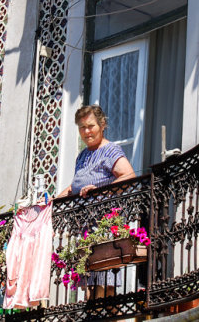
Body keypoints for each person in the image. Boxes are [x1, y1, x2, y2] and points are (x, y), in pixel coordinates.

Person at [57, 104, 136, 299]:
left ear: (102, 125)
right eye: (82, 128)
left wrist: (98, 190)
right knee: (89, 287)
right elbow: (75, 186)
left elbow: (129, 175)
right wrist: (53, 201)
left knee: (104, 285)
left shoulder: (110, 150)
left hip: (104, 228)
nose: (86, 132)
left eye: (90, 126)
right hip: (85, 229)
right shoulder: (82, 156)